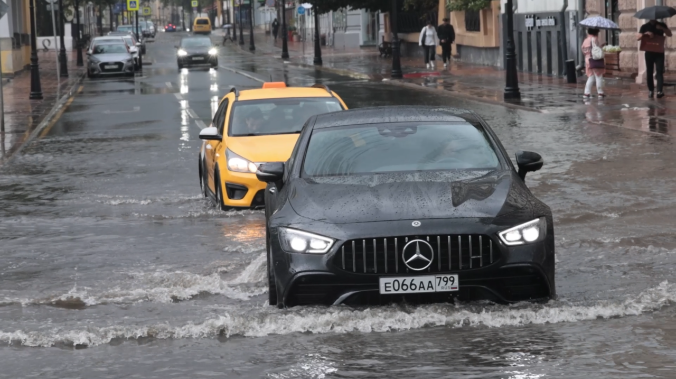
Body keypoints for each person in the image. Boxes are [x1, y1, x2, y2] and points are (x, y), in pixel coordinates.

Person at [638, 19, 672, 99]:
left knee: (659, 71)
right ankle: (651, 90)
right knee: (649, 72)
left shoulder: (661, 25)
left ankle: (660, 91)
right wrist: (645, 34)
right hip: (649, 52)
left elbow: (669, 34)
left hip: (659, 52)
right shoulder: (645, 26)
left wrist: (662, 28)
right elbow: (638, 37)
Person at [581, 28, 605, 99]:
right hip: (594, 60)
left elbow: (583, 49)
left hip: (587, 59)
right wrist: (601, 46)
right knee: (599, 76)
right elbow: (596, 50)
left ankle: (586, 93)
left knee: (591, 76)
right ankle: (600, 92)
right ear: (596, 33)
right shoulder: (594, 39)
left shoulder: (585, 40)